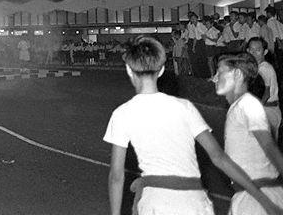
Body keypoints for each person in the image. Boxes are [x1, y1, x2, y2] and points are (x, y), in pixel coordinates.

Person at [103, 36, 279, 215]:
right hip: (195, 202)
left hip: (157, 201)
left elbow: (116, 176)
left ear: (129, 70)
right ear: (162, 69)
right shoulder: (185, 107)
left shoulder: (122, 114)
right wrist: (261, 198)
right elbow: (219, 157)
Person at [213, 52, 283, 214]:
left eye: (220, 71)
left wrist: (265, 202)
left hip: (257, 196)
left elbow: (268, 146)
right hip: (250, 195)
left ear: (237, 74)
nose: (216, 77)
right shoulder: (239, 106)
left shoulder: (248, 105)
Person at [247, 38, 282, 141]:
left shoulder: (264, 68)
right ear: (248, 51)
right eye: (251, 50)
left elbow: (266, 93)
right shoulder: (257, 66)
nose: (254, 53)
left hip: (268, 110)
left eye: (258, 50)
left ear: (265, 52)